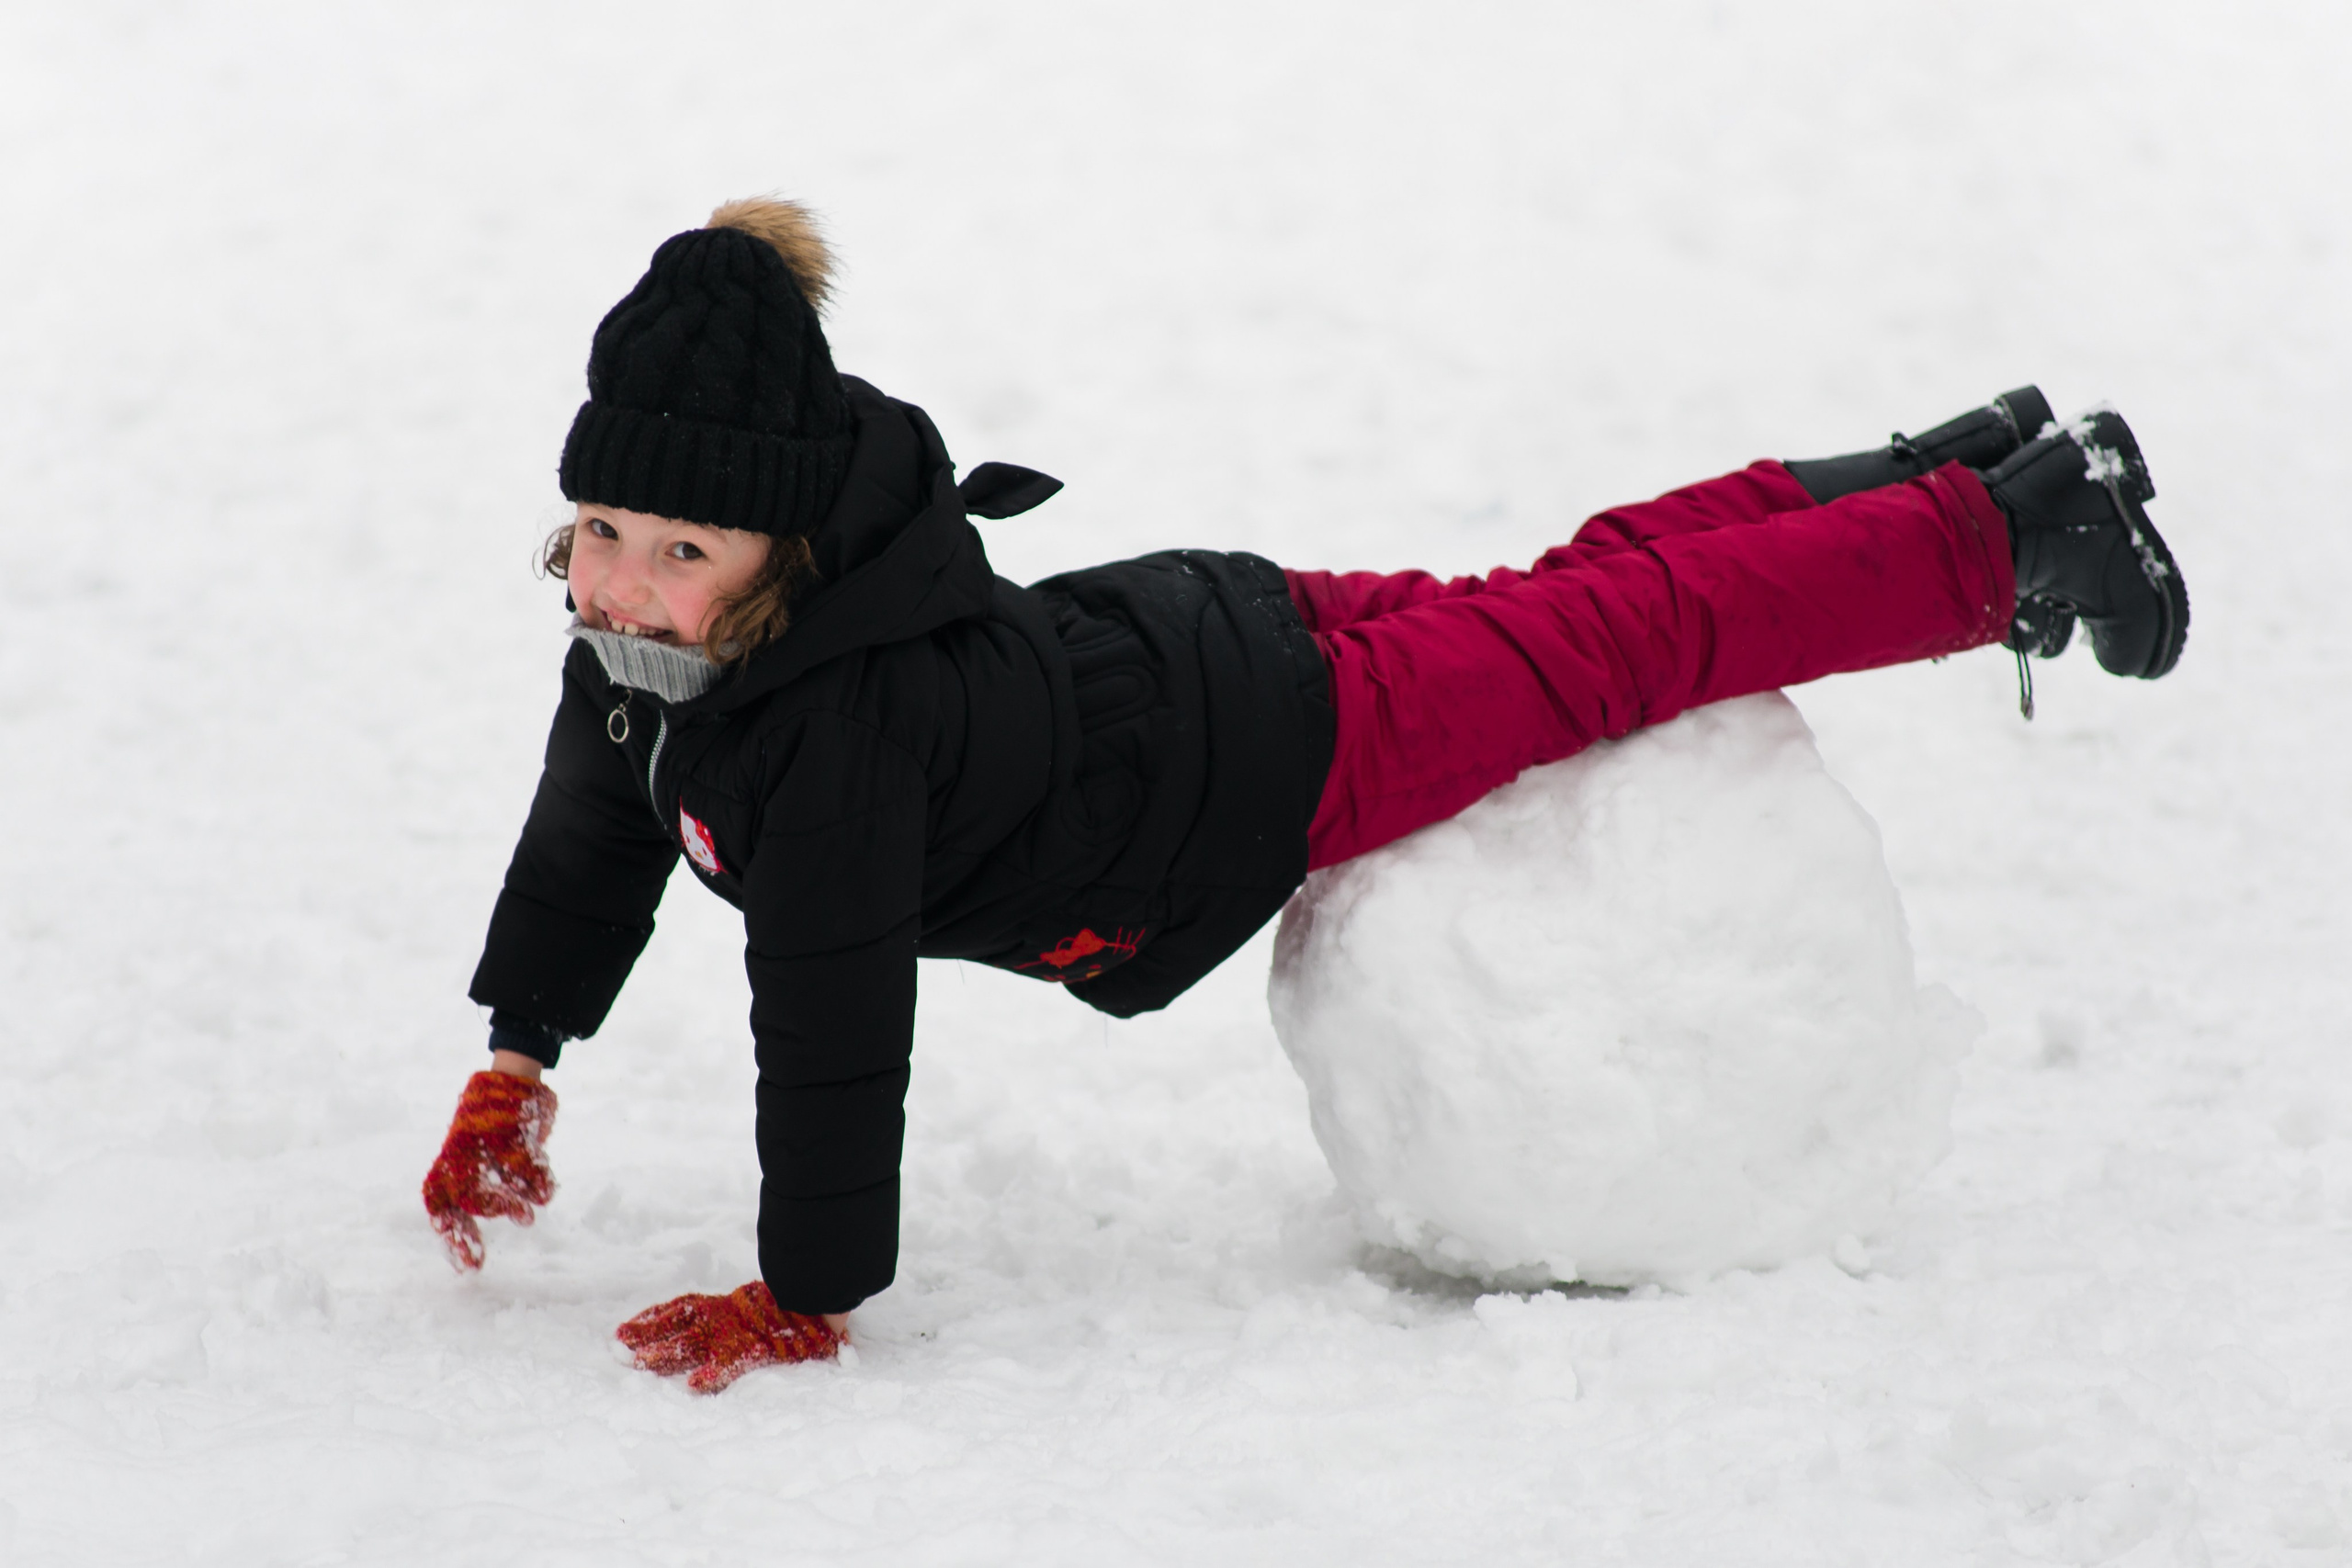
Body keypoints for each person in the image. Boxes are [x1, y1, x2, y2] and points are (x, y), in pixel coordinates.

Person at [421, 198, 2189, 1393]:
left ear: (782, 553)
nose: (622, 584)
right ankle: (1954, 466)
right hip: (1192, 645)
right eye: (601, 536)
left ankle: (2006, 536)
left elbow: (828, 1021)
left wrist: (808, 1295)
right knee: (1573, 593)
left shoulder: (830, 738)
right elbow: (593, 843)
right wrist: (519, 1058)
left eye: (680, 549)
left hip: (1262, 750)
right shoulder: (651, 665)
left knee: (1621, 638)